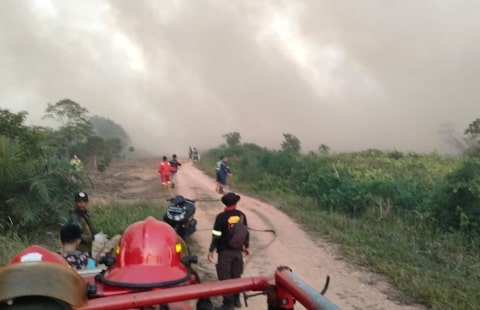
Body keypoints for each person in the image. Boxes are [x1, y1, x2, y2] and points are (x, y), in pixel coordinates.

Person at [208, 192, 249, 310]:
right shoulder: (242, 215)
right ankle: (237, 300)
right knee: (236, 275)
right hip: (238, 251)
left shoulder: (220, 217)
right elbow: (245, 232)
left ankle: (228, 304)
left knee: (225, 277)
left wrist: (211, 250)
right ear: (236, 203)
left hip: (224, 252)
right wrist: (246, 246)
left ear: (225, 204)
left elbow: (216, 235)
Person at [68, 192, 94, 256]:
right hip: (79, 252)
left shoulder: (84, 214)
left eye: (84, 202)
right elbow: (75, 235)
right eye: (79, 202)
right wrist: (89, 237)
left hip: (86, 249)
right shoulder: (75, 217)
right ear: (75, 203)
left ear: (87, 203)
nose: (82, 204)